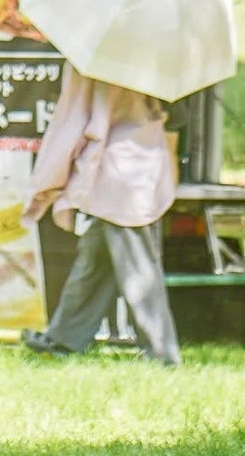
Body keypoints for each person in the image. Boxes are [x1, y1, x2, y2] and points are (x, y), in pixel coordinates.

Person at [18, 67, 181, 365]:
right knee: (95, 260)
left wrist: (47, 182)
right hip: (143, 164)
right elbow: (173, 118)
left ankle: (162, 353)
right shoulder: (154, 61)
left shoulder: (94, 63)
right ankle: (65, 338)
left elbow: (73, 121)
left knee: (138, 269)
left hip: (114, 170)